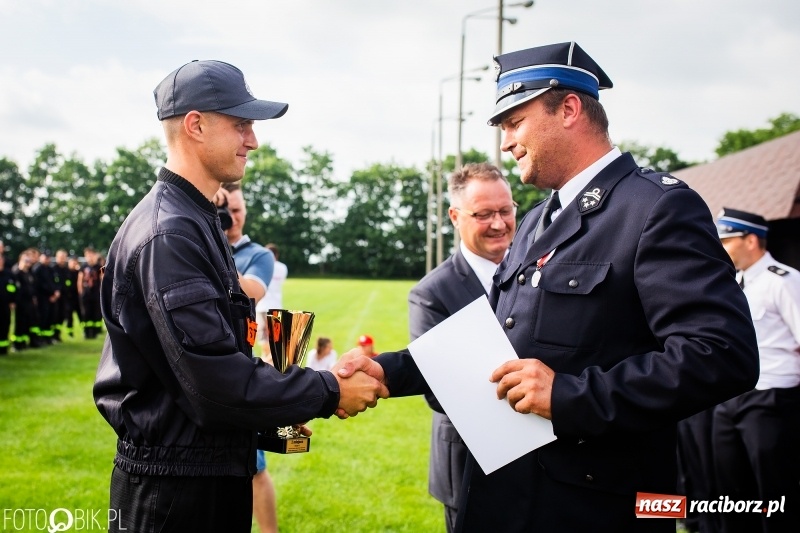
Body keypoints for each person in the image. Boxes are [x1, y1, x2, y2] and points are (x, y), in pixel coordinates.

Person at [342, 42, 759, 532]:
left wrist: (570, 396)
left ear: (568, 109)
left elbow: (722, 354)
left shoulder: (655, 209)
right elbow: (494, 348)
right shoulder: (539, 220)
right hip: (505, 494)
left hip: (592, 506)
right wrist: (388, 371)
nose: (505, 144)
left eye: (514, 122)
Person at [92, 59, 387, 533]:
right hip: (174, 497)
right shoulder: (170, 233)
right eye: (241, 125)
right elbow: (213, 381)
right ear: (195, 125)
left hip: (201, 475)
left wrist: (267, 419)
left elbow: (193, 375)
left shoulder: (197, 220)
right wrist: (329, 389)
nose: (253, 140)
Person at [410, 162, 515, 532]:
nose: (499, 224)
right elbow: (441, 392)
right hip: (469, 464)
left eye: (505, 210)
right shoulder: (431, 294)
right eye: (484, 214)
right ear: (455, 216)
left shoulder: (537, 270)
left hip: (543, 465)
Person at [711, 208, 800, 533]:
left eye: (728, 241)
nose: (722, 249)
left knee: (775, 492)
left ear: (751, 240)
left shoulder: (784, 281)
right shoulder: (735, 284)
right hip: (731, 399)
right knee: (731, 491)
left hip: (772, 401)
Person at [215, 180, 279, 533]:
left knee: (253, 464)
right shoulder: (192, 238)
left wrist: (211, 245)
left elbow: (251, 291)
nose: (231, 218)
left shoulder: (258, 254)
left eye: (236, 211)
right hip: (197, 357)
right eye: (224, 211)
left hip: (238, 361)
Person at [256, 243, 288, 360]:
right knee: (275, 336)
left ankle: (267, 358)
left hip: (262, 305)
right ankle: (272, 358)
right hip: (276, 305)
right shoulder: (283, 267)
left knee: (263, 335)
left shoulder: (263, 265)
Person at [78, 247, 102, 339]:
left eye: (91, 254)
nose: (90, 257)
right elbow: (80, 280)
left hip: (95, 293)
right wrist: (81, 292)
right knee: (86, 313)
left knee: (95, 312)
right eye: (88, 255)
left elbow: (101, 278)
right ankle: (86, 331)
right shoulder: (83, 267)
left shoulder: (98, 266)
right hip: (86, 294)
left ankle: (94, 332)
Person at [0, 252, 14, 355]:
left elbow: (13, 289)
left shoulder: (8, 274)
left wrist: (13, 300)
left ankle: (3, 348)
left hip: (5, 305)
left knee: (5, 325)